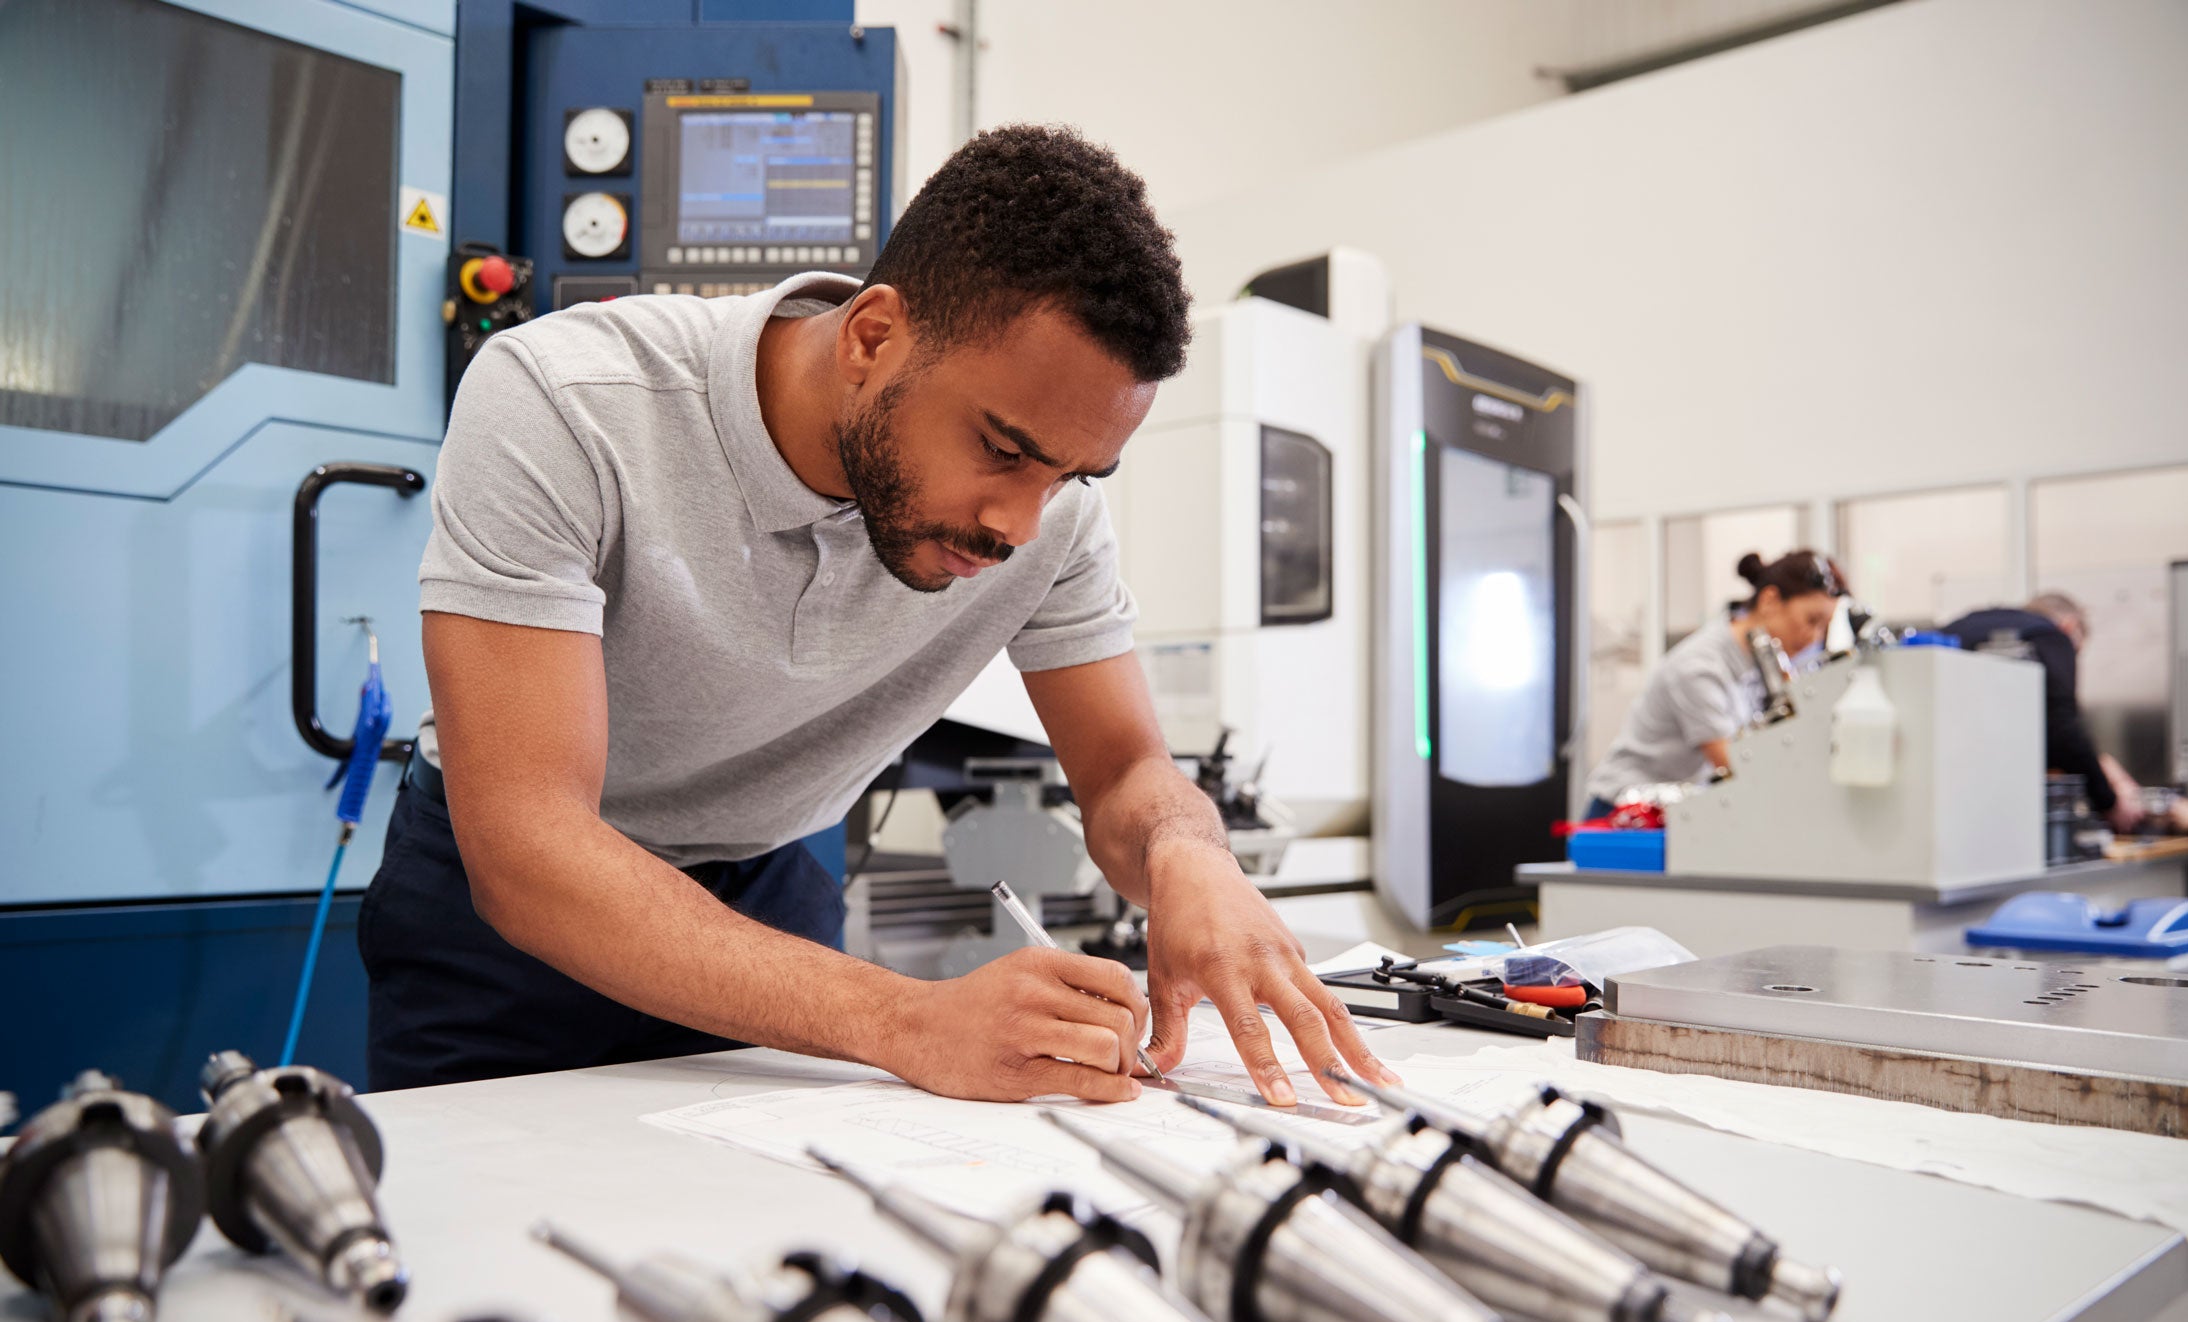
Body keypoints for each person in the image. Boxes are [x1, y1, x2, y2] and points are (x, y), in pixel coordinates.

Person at [359, 125, 1394, 1109]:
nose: (1019, 526)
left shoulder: (1054, 518)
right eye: (1002, 448)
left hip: (761, 887)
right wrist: (905, 1019)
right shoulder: (566, 401)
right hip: (504, 925)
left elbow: (1125, 772)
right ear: (871, 336)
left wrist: (1187, 854)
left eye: (1072, 473)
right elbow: (531, 848)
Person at [1581, 549, 1843, 817]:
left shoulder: (1762, 662)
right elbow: (1736, 763)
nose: (1814, 637)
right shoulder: (1699, 667)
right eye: (1811, 621)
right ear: (1770, 601)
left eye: (1824, 627)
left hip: (1678, 811)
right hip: (1622, 814)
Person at [1942, 593, 2142, 834]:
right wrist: (2109, 803)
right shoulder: (2052, 636)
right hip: (1987, 808)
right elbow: (2062, 730)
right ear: (2070, 625)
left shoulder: (1960, 626)